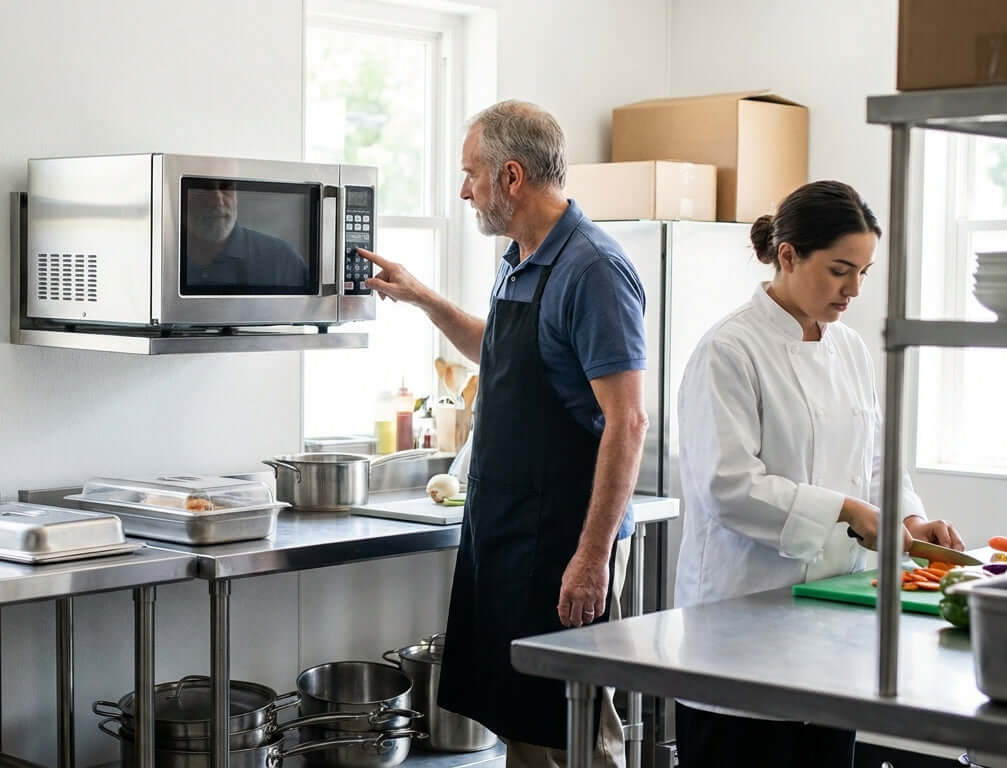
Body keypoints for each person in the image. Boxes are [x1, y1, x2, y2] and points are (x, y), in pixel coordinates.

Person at [359, 100, 649, 768]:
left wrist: (593, 557)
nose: (465, 191)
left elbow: (628, 420)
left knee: (571, 730)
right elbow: (499, 352)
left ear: (511, 177)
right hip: (514, 530)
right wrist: (422, 297)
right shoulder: (521, 257)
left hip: (570, 536)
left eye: (472, 174)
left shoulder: (593, 270)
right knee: (525, 727)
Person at [672, 180, 965, 767]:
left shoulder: (850, 349)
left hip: (834, 624)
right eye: (839, 270)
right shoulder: (729, 349)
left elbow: (875, 459)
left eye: (863, 272)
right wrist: (849, 512)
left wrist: (909, 519)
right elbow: (727, 486)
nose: (854, 289)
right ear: (788, 255)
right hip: (743, 625)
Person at [183, 180, 309, 288]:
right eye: (205, 187)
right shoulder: (171, 255)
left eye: (226, 186)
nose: (218, 200)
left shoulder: (283, 260)